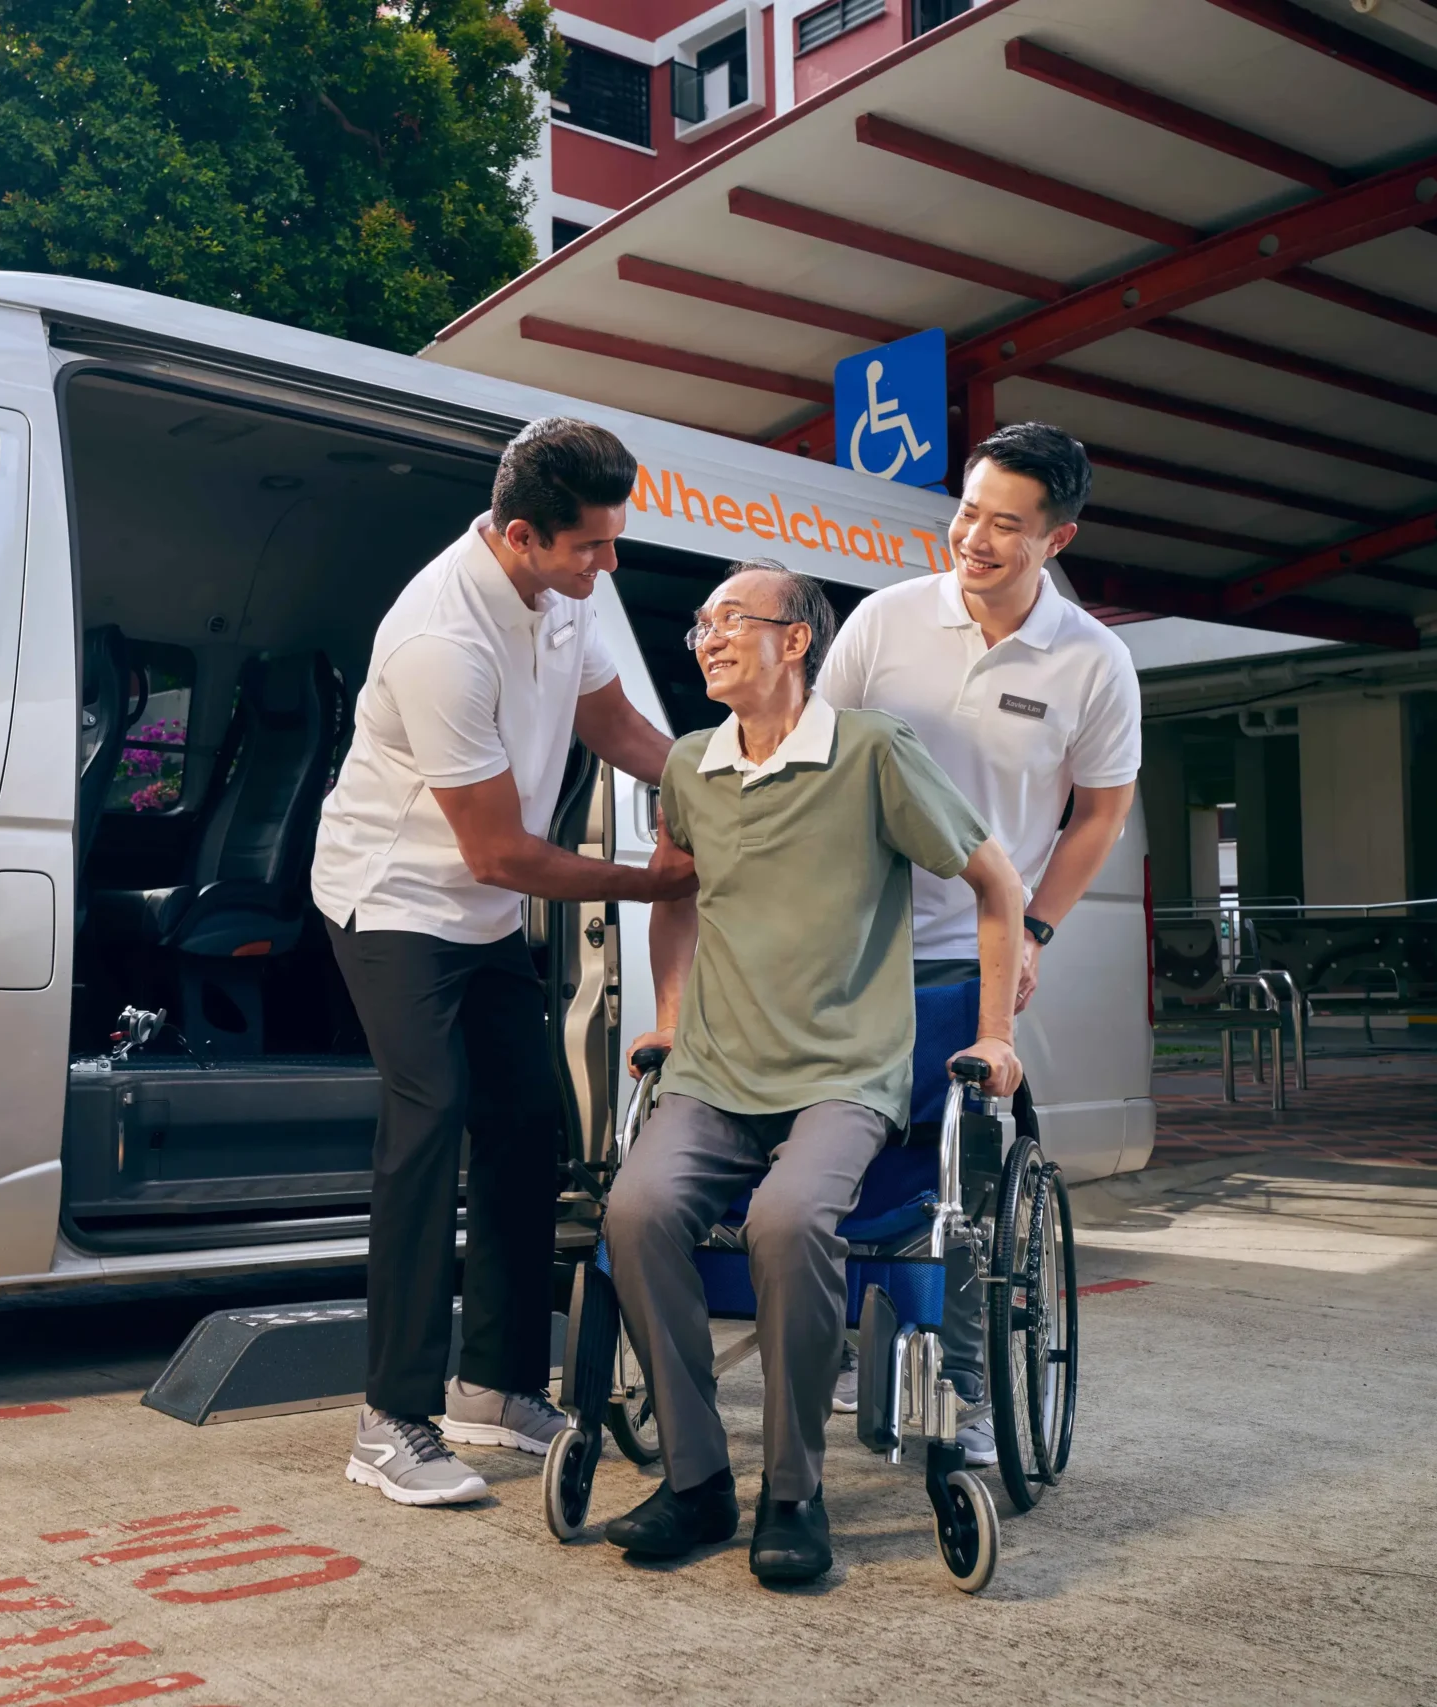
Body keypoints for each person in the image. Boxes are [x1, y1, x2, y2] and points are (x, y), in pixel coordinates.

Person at [604, 561, 1027, 1585]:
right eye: (699, 625)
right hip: (712, 1072)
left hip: (843, 1074)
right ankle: (699, 1481)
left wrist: (995, 1029)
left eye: (729, 621)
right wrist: (669, 1019)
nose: (705, 638)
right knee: (634, 1212)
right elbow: (674, 892)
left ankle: (792, 1492)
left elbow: (994, 883)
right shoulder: (691, 764)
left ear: (794, 641)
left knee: (786, 1222)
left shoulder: (872, 750)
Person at [313, 417, 693, 1508]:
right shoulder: (442, 637)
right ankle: (389, 1421)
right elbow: (501, 851)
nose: (608, 565)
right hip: (393, 901)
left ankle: (496, 1386)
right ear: (520, 535)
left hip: (477, 914)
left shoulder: (565, 593)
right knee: (428, 1124)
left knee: (528, 1130)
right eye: (590, 547)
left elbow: (612, 719)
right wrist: (648, 882)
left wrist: (716, 783)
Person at [814, 421, 1141, 1463]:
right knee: (817, 1157)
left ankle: (967, 1397)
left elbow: (1098, 812)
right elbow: (812, 760)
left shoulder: (1093, 662)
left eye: (1006, 524)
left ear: (1057, 538)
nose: (975, 538)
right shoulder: (881, 621)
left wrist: (1035, 922)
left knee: (969, 1188)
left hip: (972, 951)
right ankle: (818, 1342)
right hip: (846, 949)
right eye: (966, 512)